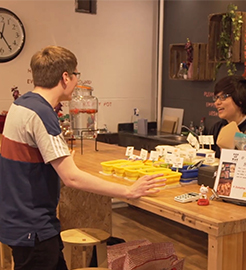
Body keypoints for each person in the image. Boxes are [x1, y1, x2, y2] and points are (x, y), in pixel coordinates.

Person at [0, 46, 166, 270]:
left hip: (18, 220)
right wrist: (128, 191)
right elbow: (72, 179)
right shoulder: (41, 113)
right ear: (65, 77)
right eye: (77, 75)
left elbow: (30, 159)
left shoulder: (21, 105)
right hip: (34, 228)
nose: (78, 81)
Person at [209, 75, 246, 158]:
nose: (217, 103)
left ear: (240, 99)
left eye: (223, 97)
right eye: (216, 98)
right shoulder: (217, 128)